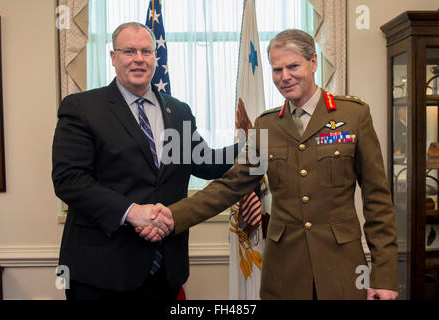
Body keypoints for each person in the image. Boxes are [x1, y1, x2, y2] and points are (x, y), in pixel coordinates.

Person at [141, 29, 399, 300]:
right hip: (285, 271)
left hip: (341, 267)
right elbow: (231, 185)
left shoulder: (353, 115)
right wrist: (173, 216)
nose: (284, 77)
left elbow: (377, 201)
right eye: (277, 70)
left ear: (313, 63)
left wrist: (384, 277)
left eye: (293, 66)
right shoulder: (267, 125)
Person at [52, 22, 241, 300]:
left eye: (146, 51)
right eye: (129, 51)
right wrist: (132, 211)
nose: (138, 59)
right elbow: (69, 180)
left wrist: (256, 145)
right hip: (100, 273)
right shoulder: (82, 107)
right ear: (113, 58)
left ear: (155, 57)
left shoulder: (177, 110)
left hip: (164, 269)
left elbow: (206, 161)